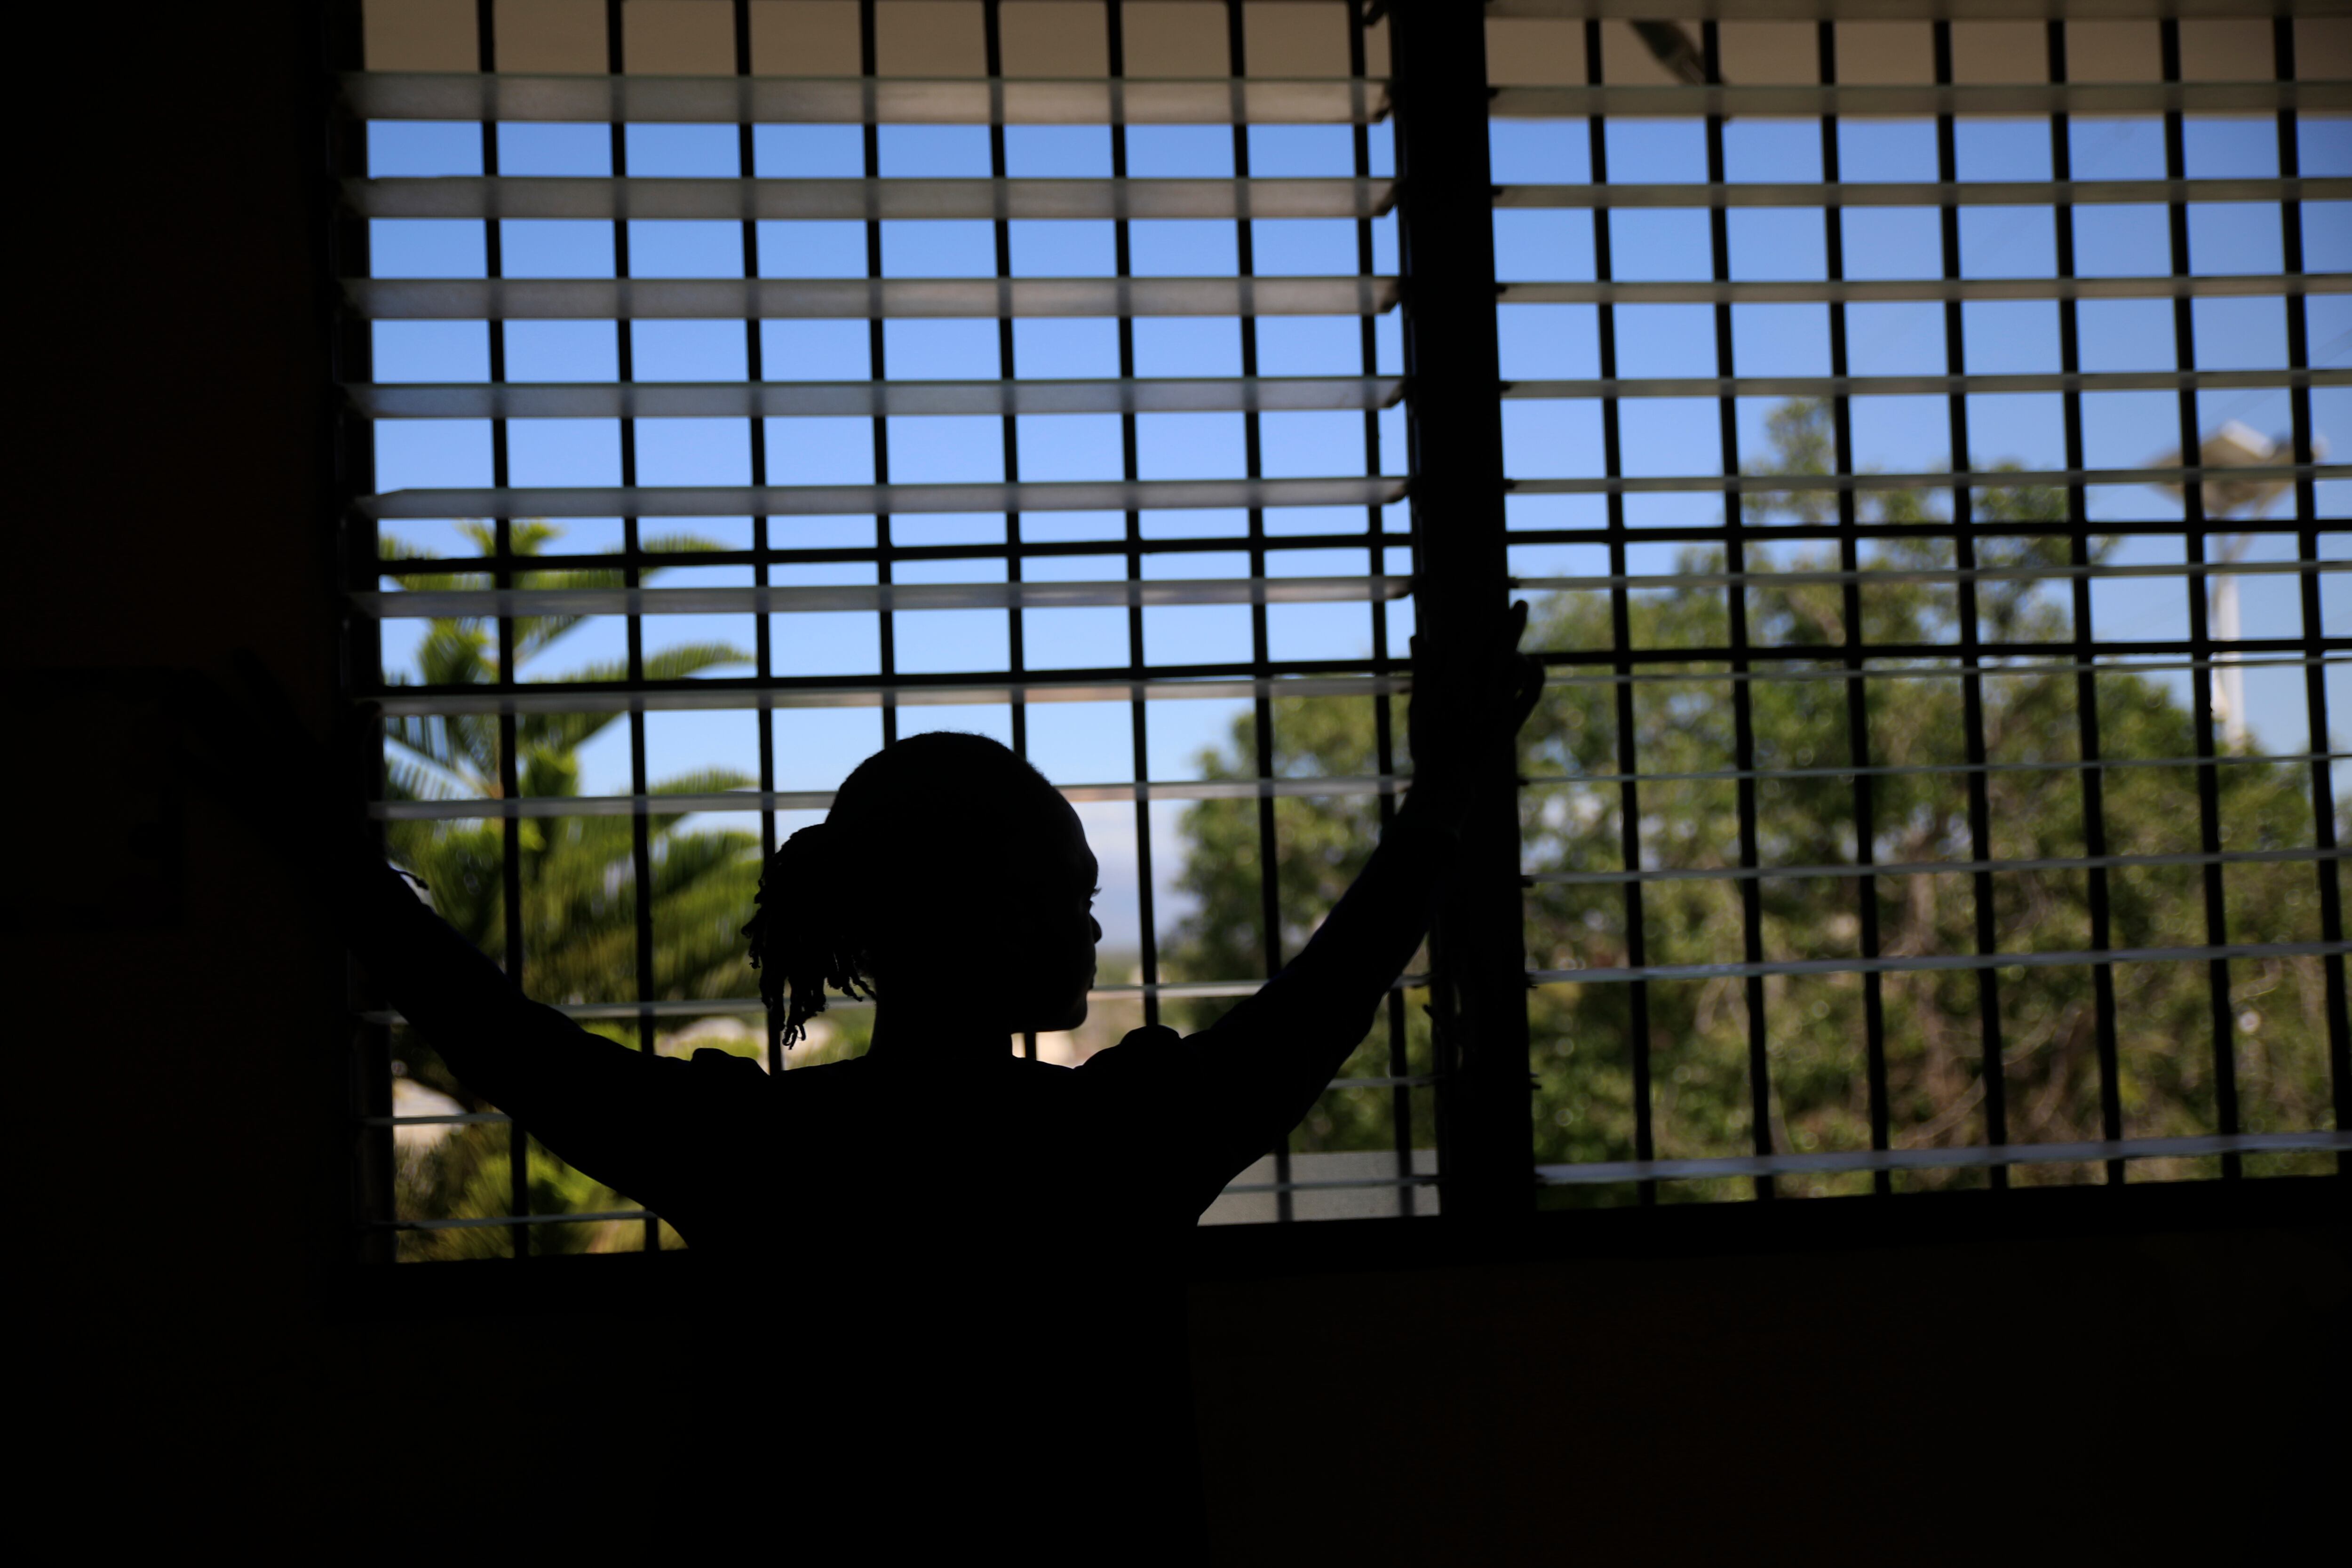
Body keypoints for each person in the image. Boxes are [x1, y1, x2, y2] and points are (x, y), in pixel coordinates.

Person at [200, 603, 1541, 1560]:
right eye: (1068, 897)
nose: (1091, 927)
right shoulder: (1123, 1139)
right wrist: (1441, 799)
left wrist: (354, 883)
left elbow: (508, 1043)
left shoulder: (755, 1148)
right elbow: (1326, 997)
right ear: (980, 919)